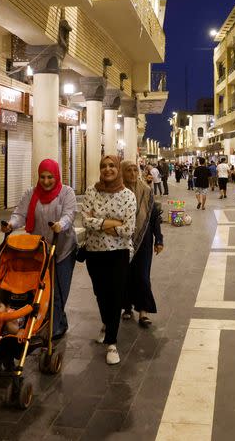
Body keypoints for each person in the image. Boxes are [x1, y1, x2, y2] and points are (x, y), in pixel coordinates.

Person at [4, 158, 77, 340]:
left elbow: (70, 214)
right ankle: (58, 321)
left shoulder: (67, 192)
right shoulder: (31, 193)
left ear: (57, 176)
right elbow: (20, 214)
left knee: (59, 289)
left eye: (50, 177)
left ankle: (53, 328)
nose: (46, 181)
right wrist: (11, 225)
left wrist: (62, 224)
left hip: (63, 249)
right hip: (39, 250)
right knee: (42, 290)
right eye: (42, 177)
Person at [82, 155, 137, 365]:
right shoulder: (91, 191)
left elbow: (128, 230)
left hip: (119, 253)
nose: (108, 169)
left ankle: (112, 343)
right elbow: (85, 221)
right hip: (94, 253)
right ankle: (106, 323)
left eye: (112, 165)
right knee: (100, 294)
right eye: (104, 166)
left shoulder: (128, 195)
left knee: (115, 296)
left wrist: (100, 222)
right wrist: (113, 222)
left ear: (118, 169)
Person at [120, 161, 164, 328]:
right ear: (122, 173)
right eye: (128, 170)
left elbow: (153, 217)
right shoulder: (118, 191)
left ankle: (144, 311)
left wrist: (159, 239)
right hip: (122, 240)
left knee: (143, 276)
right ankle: (127, 307)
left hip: (144, 239)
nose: (132, 173)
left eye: (134, 170)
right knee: (126, 275)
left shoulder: (146, 190)